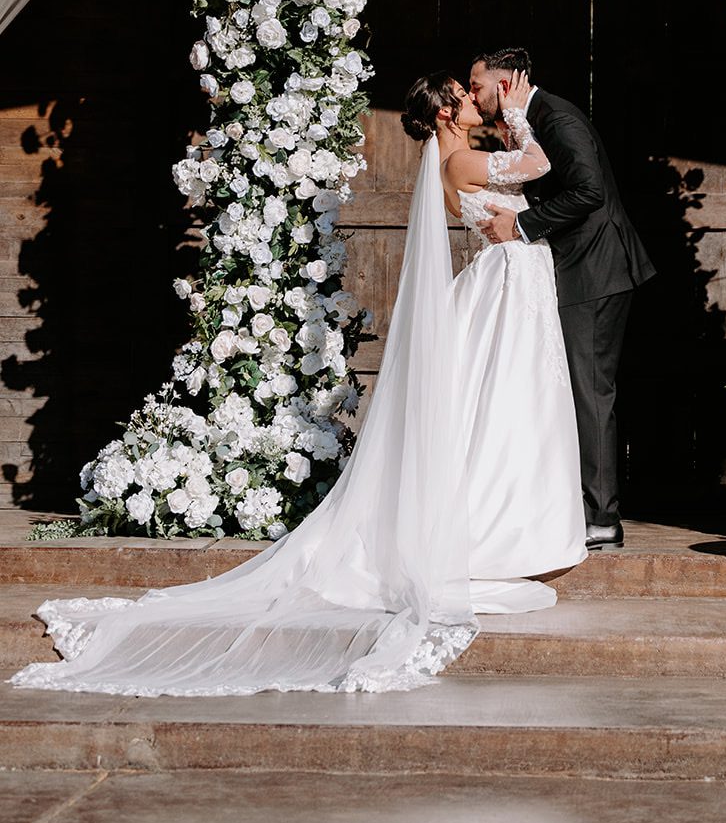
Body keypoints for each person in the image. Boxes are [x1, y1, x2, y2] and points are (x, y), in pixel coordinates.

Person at [10, 71, 585, 698]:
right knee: (505, 405)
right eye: (465, 93)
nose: (476, 101)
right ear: (447, 112)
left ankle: (500, 518)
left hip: (511, 278)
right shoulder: (462, 161)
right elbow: (538, 162)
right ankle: (494, 529)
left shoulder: (455, 157)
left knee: (500, 407)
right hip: (507, 280)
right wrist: (523, 107)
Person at [469, 49, 655, 550]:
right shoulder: (530, 122)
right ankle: (579, 504)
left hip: (596, 271)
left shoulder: (557, 117)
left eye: (478, 87)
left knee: (591, 393)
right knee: (576, 390)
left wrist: (521, 224)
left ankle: (601, 518)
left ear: (505, 85)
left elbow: (589, 191)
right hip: (576, 271)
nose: (473, 97)